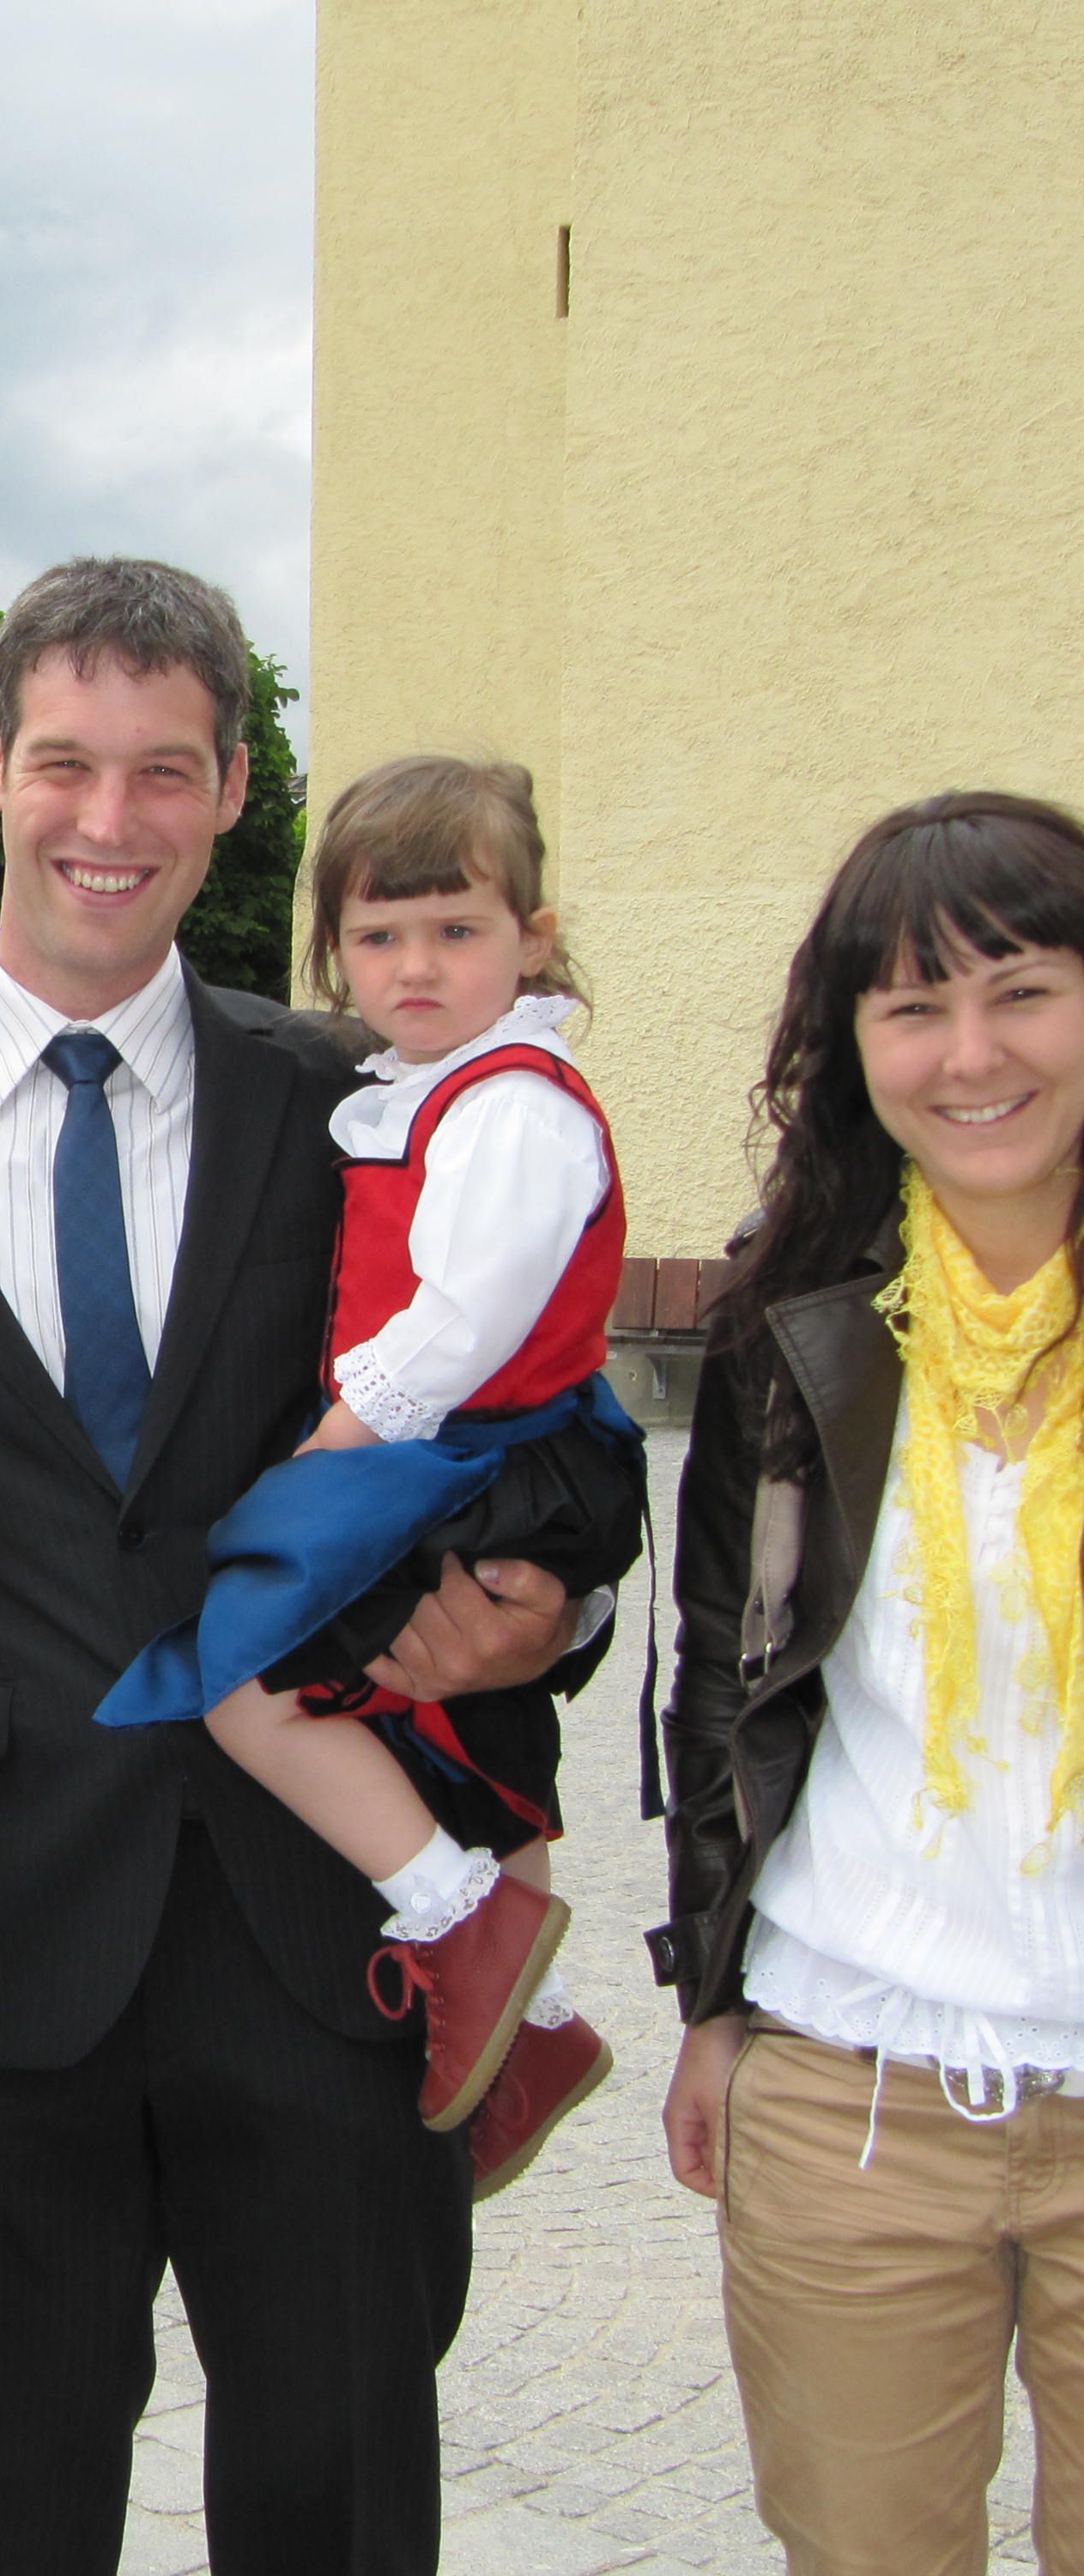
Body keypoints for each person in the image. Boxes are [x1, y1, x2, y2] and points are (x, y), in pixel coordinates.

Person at [0, 560, 609, 2576]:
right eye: (64, 763)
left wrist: (557, 1608)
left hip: (325, 1933)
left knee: (338, 2494)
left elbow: (545, 1421)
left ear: (232, 796)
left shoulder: (370, 1101)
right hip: (1, 1935)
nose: (105, 820)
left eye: (163, 770)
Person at [94, 756, 640, 2162]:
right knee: (470, 1731)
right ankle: (534, 2024)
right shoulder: (419, 1087)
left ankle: (461, 1927)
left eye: (456, 931)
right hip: (471, 1450)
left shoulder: (511, 1101)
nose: (413, 966)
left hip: (466, 1452)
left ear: (534, 933)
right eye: (378, 936)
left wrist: (334, 1452)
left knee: (239, 1678)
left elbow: (461, 1321)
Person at [657, 792, 1084, 2575]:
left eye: (1023, 990)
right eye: (910, 1008)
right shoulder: (790, 1324)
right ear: (848, 1049)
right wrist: (709, 2003)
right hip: (854, 2096)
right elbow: (711, 1687)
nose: (968, 1054)